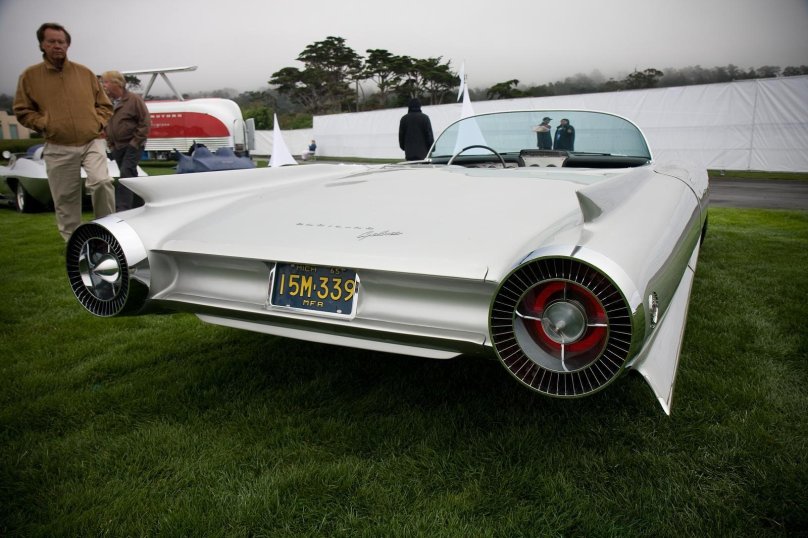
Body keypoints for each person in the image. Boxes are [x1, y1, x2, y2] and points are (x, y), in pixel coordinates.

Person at [13, 22, 115, 241]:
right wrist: (45, 124)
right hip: (58, 145)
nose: (57, 46)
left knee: (101, 182)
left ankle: (106, 235)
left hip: (91, 140)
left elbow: (105, 105)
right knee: (65, 199)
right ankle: (74, 244)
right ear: (42, 44)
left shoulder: (84, 73)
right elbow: (22, 110)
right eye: (51, 42)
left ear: (68, 45)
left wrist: (97, 123)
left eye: (61, 42)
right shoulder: (29, 76)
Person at [101, 70, 150, 211]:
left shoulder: (134, 100)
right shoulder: (107, 102)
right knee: (131, 176)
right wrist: (111, 145)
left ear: (117, 83)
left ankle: (122, 209)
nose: (104, 85)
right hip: (117, 147)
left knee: (125, 174)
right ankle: (142, 205)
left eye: (106, 82)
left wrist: (135, 143)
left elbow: (145, 122)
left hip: (133, 145)